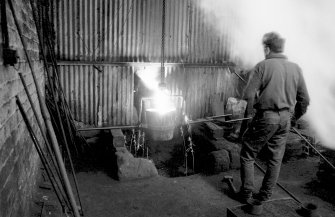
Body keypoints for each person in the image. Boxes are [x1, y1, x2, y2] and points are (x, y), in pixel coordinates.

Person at [238, 32, 310, 203]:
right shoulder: (295, 68)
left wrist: (247, 120)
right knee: (275, 159)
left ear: (267, 48)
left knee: (248, 154)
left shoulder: (262, 66)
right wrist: (293, 118)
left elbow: (248, 95)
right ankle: (265, 195)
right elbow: (304, 100)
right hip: (285, 119)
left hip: (266, 117)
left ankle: (246, 193)